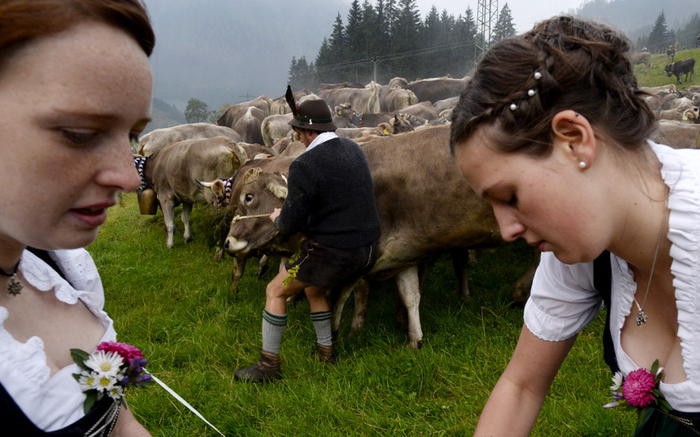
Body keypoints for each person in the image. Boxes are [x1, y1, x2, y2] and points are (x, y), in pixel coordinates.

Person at [450, 16, 700, 436]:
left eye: (509, 196)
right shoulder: (584, 245)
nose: (506, 230)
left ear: (574, 139)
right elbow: (521, 386)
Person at [0, 0, 155, 434]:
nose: (129, 178)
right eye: (80, 134)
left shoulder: (60, 268)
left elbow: (122, 424)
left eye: (132, 135)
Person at [234, 97, 381, 383]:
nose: (298, 138)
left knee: (275, 291)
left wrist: (277, 217)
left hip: (335, 252)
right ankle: (326, 354)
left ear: (307, 132)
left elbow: (289, 225)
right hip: (369, 249)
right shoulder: (354, 149)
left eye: (299, 133)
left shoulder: (304, 165)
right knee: (314, 290)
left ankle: (268, 367)